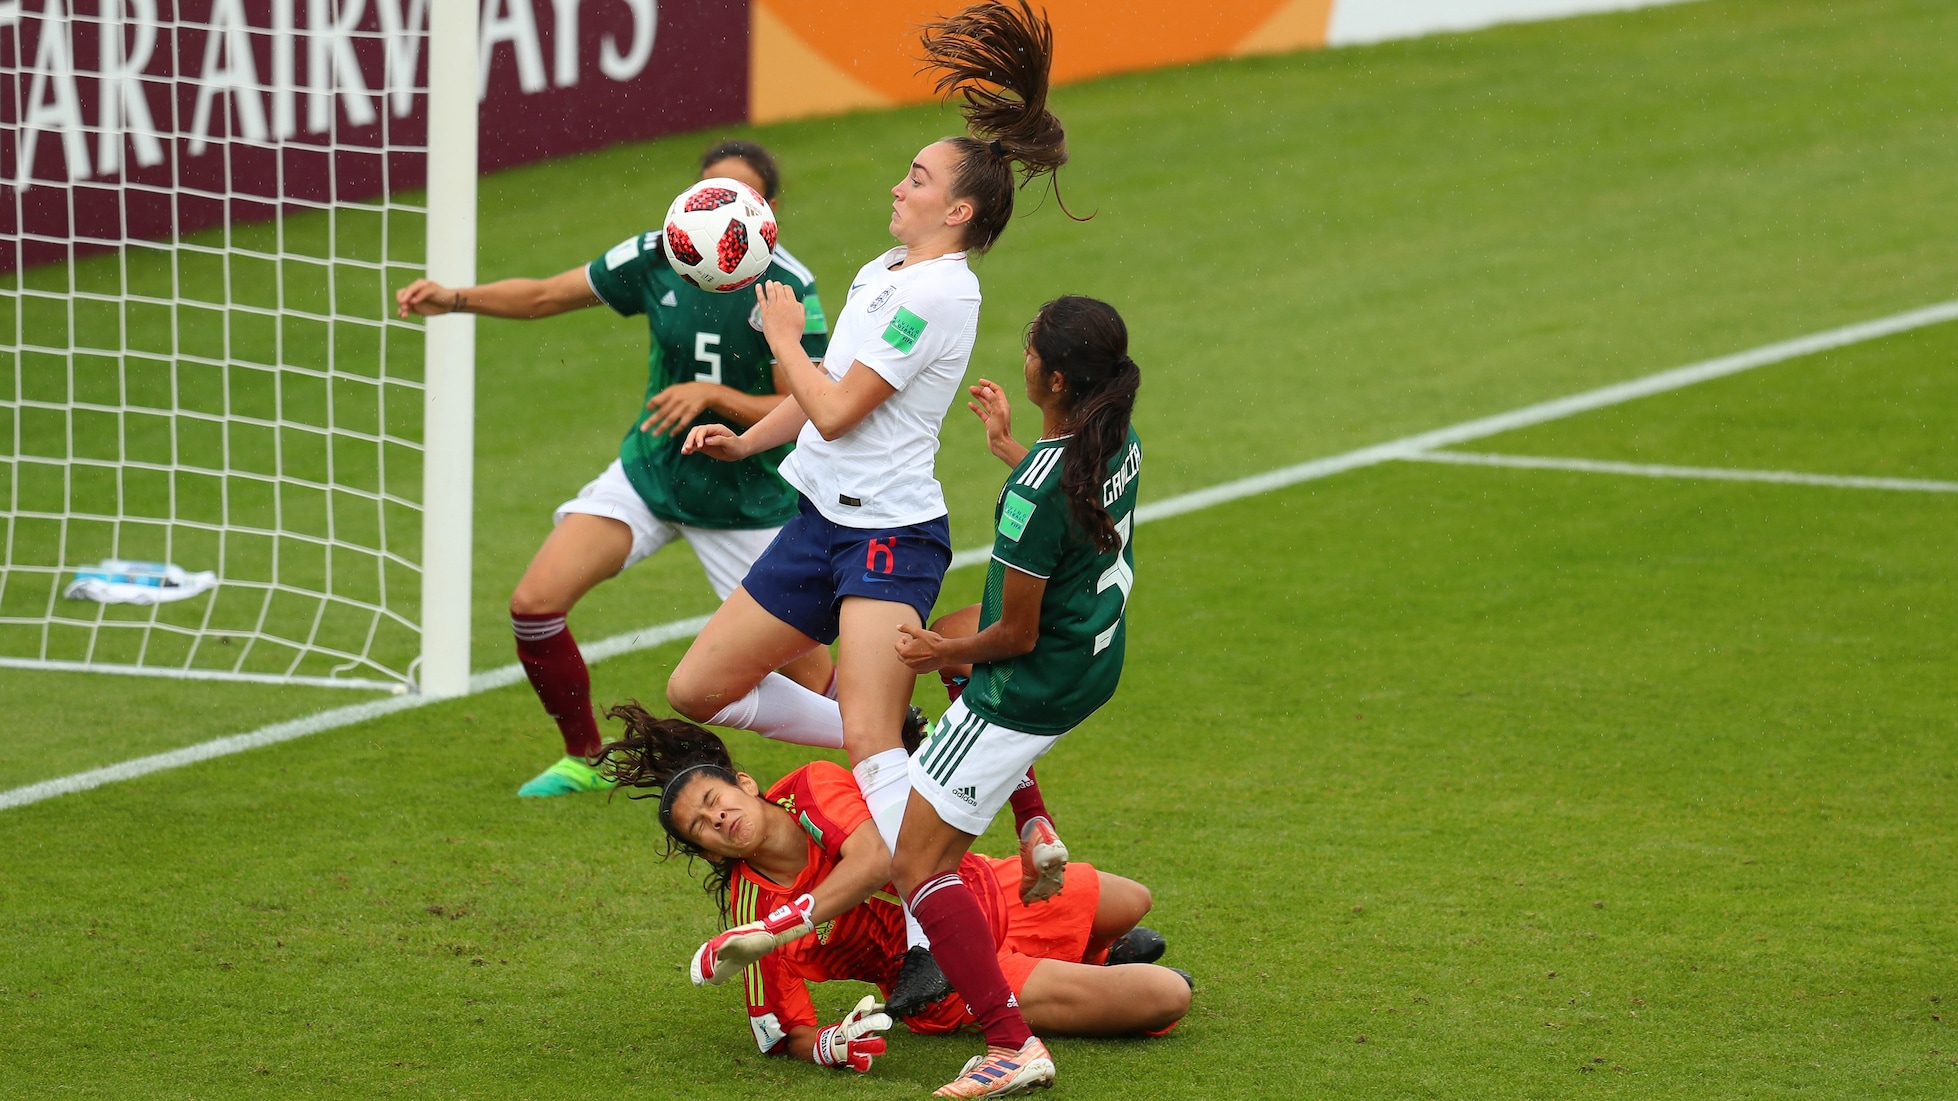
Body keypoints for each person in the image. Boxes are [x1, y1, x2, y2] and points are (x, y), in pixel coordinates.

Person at [663, 0, 1075, 1032]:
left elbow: (837, 396)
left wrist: (780, 332)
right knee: (699, 686)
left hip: (888, 540)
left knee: (863, 741)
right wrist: (747, 437)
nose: (898, 185)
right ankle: (901, 728)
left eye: (918, 179)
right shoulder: (883, 271)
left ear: (961, 215)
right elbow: (823, 405)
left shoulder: (941, 294)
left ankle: (930, 947)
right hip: (819, 522)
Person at [393, 141, 835, 798]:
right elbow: (546, 295)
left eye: (736, 198)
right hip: (654, 473)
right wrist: (455, 298)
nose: (713, 211)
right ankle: (585, 757)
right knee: (534, 605)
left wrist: (716, 398)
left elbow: (808, 401)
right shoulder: (659, 254)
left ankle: (896, 754)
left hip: (749, 504)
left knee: (818, 679)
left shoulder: (787, 288)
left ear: (766, 212)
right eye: (705, 194)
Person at [592, 703, 1190, 1076]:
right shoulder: (749, 914)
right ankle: (1085, 976)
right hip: (947, 978)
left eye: (714, 800)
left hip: (981, 884)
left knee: (1134, 900)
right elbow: (779, 1030)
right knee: (1166, 995)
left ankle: (1094, 957)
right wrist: (828, 1044)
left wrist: (779, 925)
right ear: (707, 851)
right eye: (700, 827)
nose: (716, 818)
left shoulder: (811, 788)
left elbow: (876, 860)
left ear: (745, 785)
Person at [887, 294, 1142, 1096]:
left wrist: (940, 652)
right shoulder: (1114, 437)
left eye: (1030, 349)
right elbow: (1067, 506)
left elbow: (1012, 637)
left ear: (1055, 376)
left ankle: (1009, 1040)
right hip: (1092, 658)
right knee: (967, 622)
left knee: (915, 865)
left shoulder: (1035, 491)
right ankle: (1034, 826)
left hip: (1027, 686)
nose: (1021, 356)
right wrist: (1009, 447)